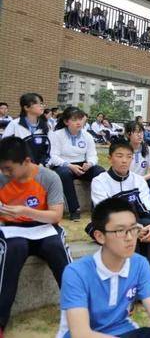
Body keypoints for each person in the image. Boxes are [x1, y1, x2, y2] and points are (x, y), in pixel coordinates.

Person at [57, 198, 150, 338]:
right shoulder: (76, 272)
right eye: (120, 231)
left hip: (124, 332)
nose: (130, 238)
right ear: (100, 236)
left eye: (133, 229)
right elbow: (80, 333)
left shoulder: (139, 264)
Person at [0, 137, 72, 334]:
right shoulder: (1, 178)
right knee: (13, 250)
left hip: (43, 227)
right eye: (2, 168)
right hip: (12, 230)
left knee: (56, 248)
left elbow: (55, 215)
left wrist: (25, 211)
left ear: (26, 161)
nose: (5, 173)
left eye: (9, 168)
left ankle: (79, 311)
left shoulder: (48, 177)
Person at [90, 140, 150, 308]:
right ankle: (130, 288)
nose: (124, 160)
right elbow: (106, 213)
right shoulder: (99, 181)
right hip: (108, 226)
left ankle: (147, 283)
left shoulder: (138, 180)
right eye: (119, 156)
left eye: (128, 157)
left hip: (135, 223)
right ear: (110, 158)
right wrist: (132, 228)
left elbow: (149, 206)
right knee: (130, 235)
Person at [49, 107, 105, 221]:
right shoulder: (57, 135)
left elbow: (93, 155)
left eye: (80, 119)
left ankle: (97, 207)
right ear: (66, 121)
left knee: (100, 172)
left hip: (82, 165)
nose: (78, 122)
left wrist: (89, 163)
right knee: (65, 174)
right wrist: (69, 165)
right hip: (63, 165)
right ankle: (74, 210)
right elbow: (53, 156)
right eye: (74, 119)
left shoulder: (87, 135)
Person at [3, 93, 50, 165]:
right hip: (18, 165)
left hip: (39, 166)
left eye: (42, 103)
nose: (42, 106)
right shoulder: (15, 124)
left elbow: (48, 149)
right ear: (26, 108)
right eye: (38, 103)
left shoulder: (45, 126)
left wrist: (42, 164)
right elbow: (5, 146)